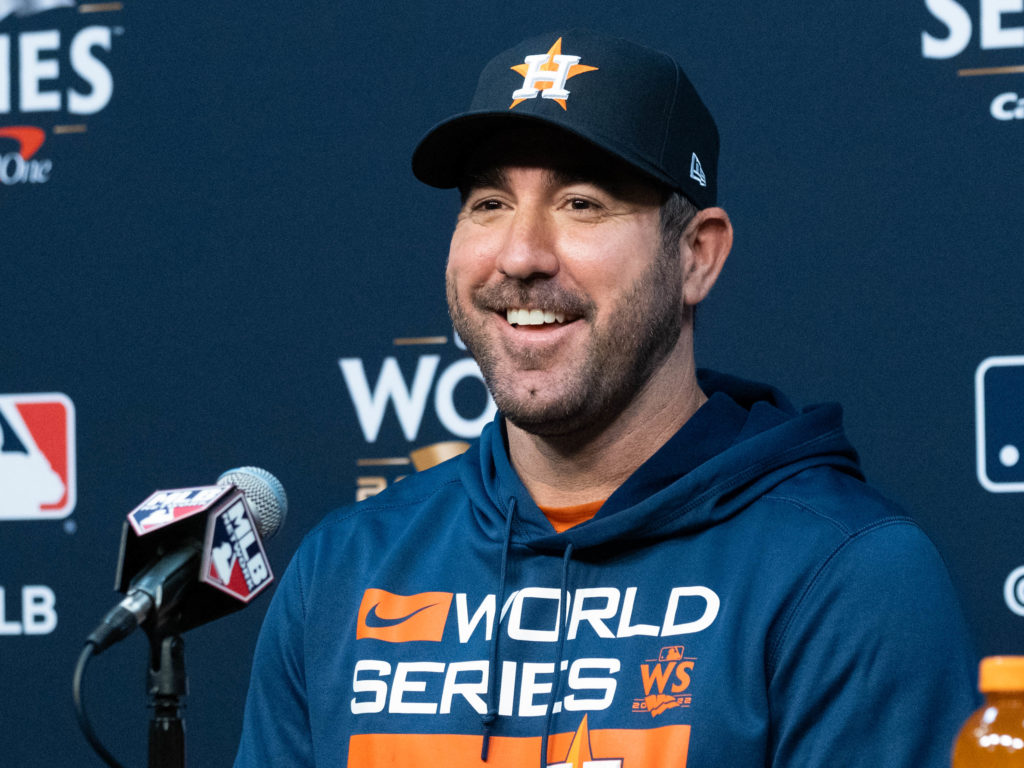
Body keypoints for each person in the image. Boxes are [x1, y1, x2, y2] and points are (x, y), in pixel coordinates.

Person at [235, 30, 979, 767]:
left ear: (696, 256)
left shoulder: (845, 574)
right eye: (489, 202)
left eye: (582, 203)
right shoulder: (345, 568)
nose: (521, 255)